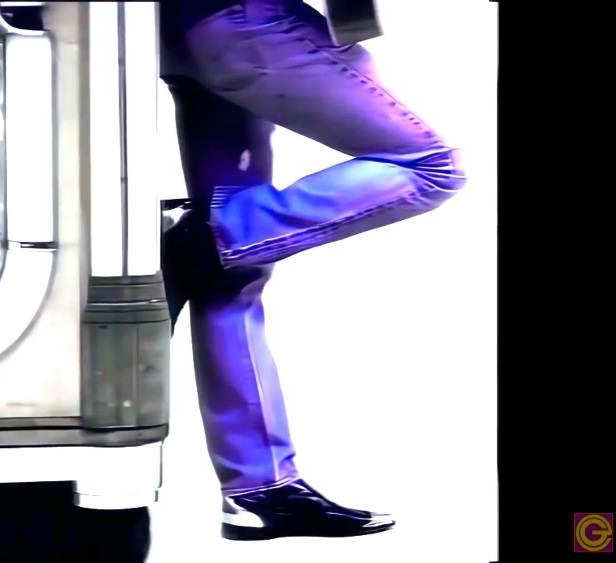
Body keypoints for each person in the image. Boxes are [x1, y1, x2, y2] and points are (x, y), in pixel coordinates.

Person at [159, 0, 467, 541]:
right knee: (433, 165)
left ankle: (261, 490)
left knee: (232, 273)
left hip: (176, 35)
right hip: (241, 22)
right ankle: (198, 240)